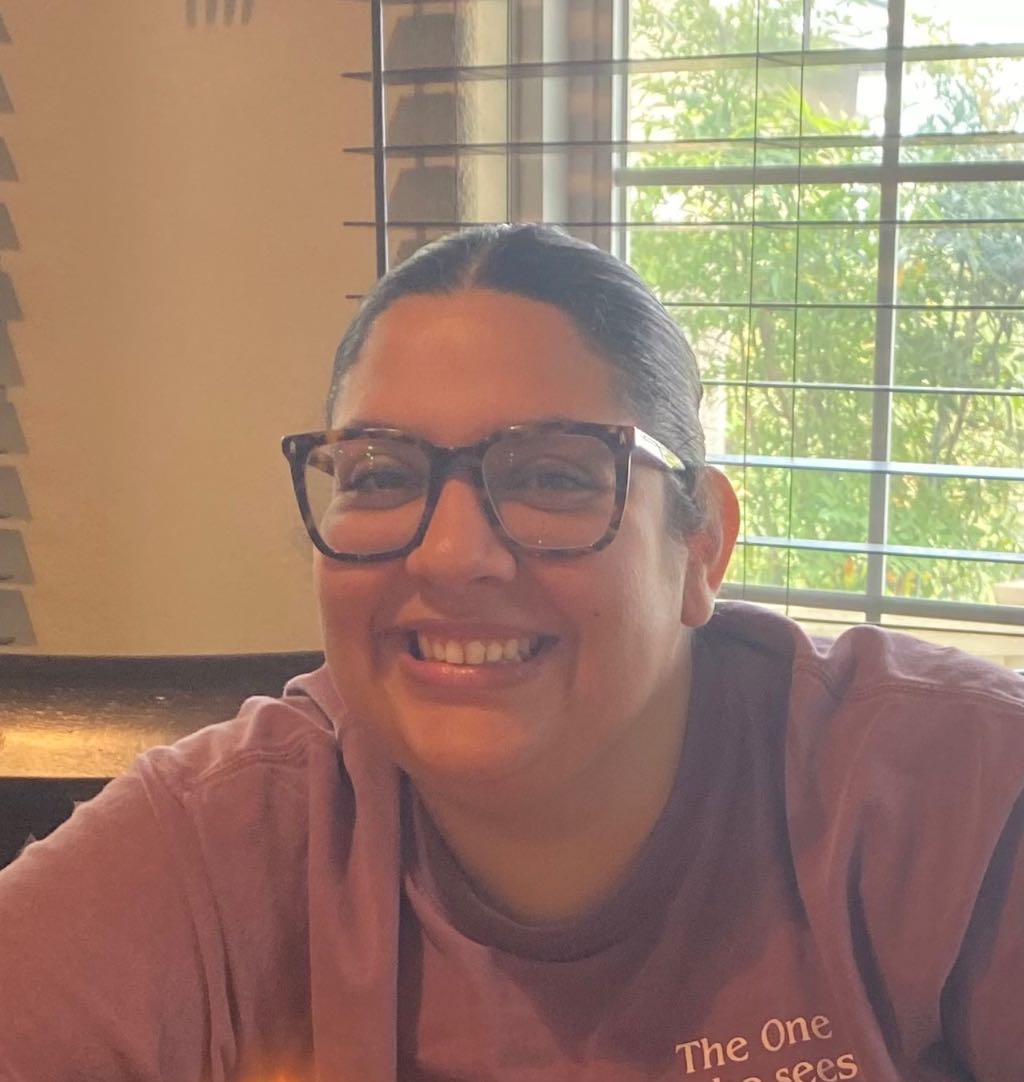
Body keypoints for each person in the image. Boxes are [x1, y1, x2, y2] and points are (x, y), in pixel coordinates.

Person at [1, 223, 1022, 1082]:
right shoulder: (225, 844)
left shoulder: (952, 794)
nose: (451, 555)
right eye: (380, 473)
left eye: (552, 476)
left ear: (701, 546)